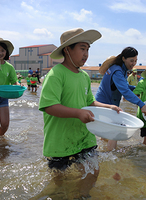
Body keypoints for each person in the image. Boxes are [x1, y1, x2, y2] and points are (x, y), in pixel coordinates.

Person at [38, 28, 122, 199]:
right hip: (60, 140)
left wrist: (108, 107)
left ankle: (82, 195)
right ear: (67, 50)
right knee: (59, 180)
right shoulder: (55, 74)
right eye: (82, 49)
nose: (86, 54)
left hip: (83, 136)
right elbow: (49, 106)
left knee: (93, 170)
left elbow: (89, 101)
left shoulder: (84, 76)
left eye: (88, 49)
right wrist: (77, 113)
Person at [95, 47, 146, 151]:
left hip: (106, 103)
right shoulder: (117, 71)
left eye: (135, 61)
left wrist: (136, 89)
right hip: (105, 104)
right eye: (131, 60)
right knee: (115, 131)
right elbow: (125, 92)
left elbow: (123, 86)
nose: (133, 63)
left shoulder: (120, 69)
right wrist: (141, 104)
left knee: (106, 133)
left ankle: (103, 151)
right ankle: (112, 156)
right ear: (124, 58)